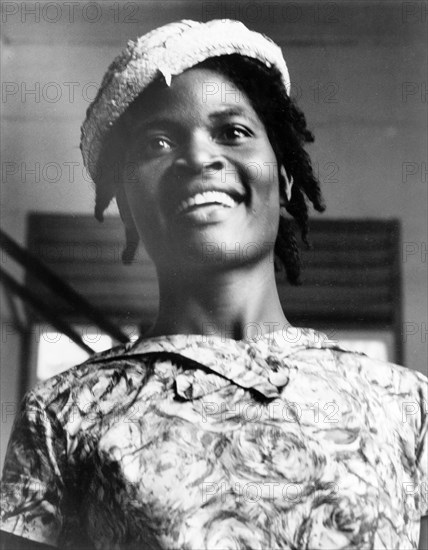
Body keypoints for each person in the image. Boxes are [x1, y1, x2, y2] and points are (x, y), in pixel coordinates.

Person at [1, 19, 427, 550]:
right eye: (158, 142)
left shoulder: (407, 404)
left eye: (233, 132)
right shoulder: (63, 415)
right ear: (128, 200)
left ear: (285, 173)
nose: (200, 157)